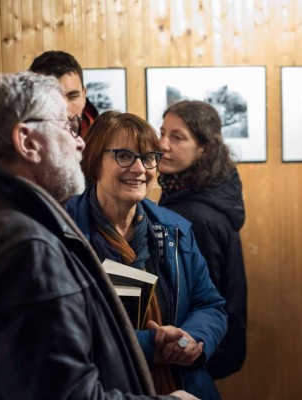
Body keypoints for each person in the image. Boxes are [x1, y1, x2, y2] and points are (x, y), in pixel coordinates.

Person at [0, 72, 196, 399]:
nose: (79, 141)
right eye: (67, 126)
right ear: (27, 141)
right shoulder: (24, 244)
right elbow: (65, 393)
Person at [64, 110, 227, 400]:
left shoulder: (174, 229)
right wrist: (153, 344)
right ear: (94, 161)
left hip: (183, 385)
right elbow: (69, 332)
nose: (140, 169)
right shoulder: (67, 235)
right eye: (124, 156)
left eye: (148, 157)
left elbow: (210, 305)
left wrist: (190, 339)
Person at [157, 100, 247, 380]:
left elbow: (200, 299)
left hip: (195, 351)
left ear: (204, 148)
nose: (163, 144)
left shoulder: (195, 215)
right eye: (162, 133)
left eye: (177, 137)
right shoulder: (188, 194)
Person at [29, 50, 99, 138]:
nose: (64, 108)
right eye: (53, 98)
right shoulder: (17, 141)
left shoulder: (104, 139)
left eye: (73, 96)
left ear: (84, 96)